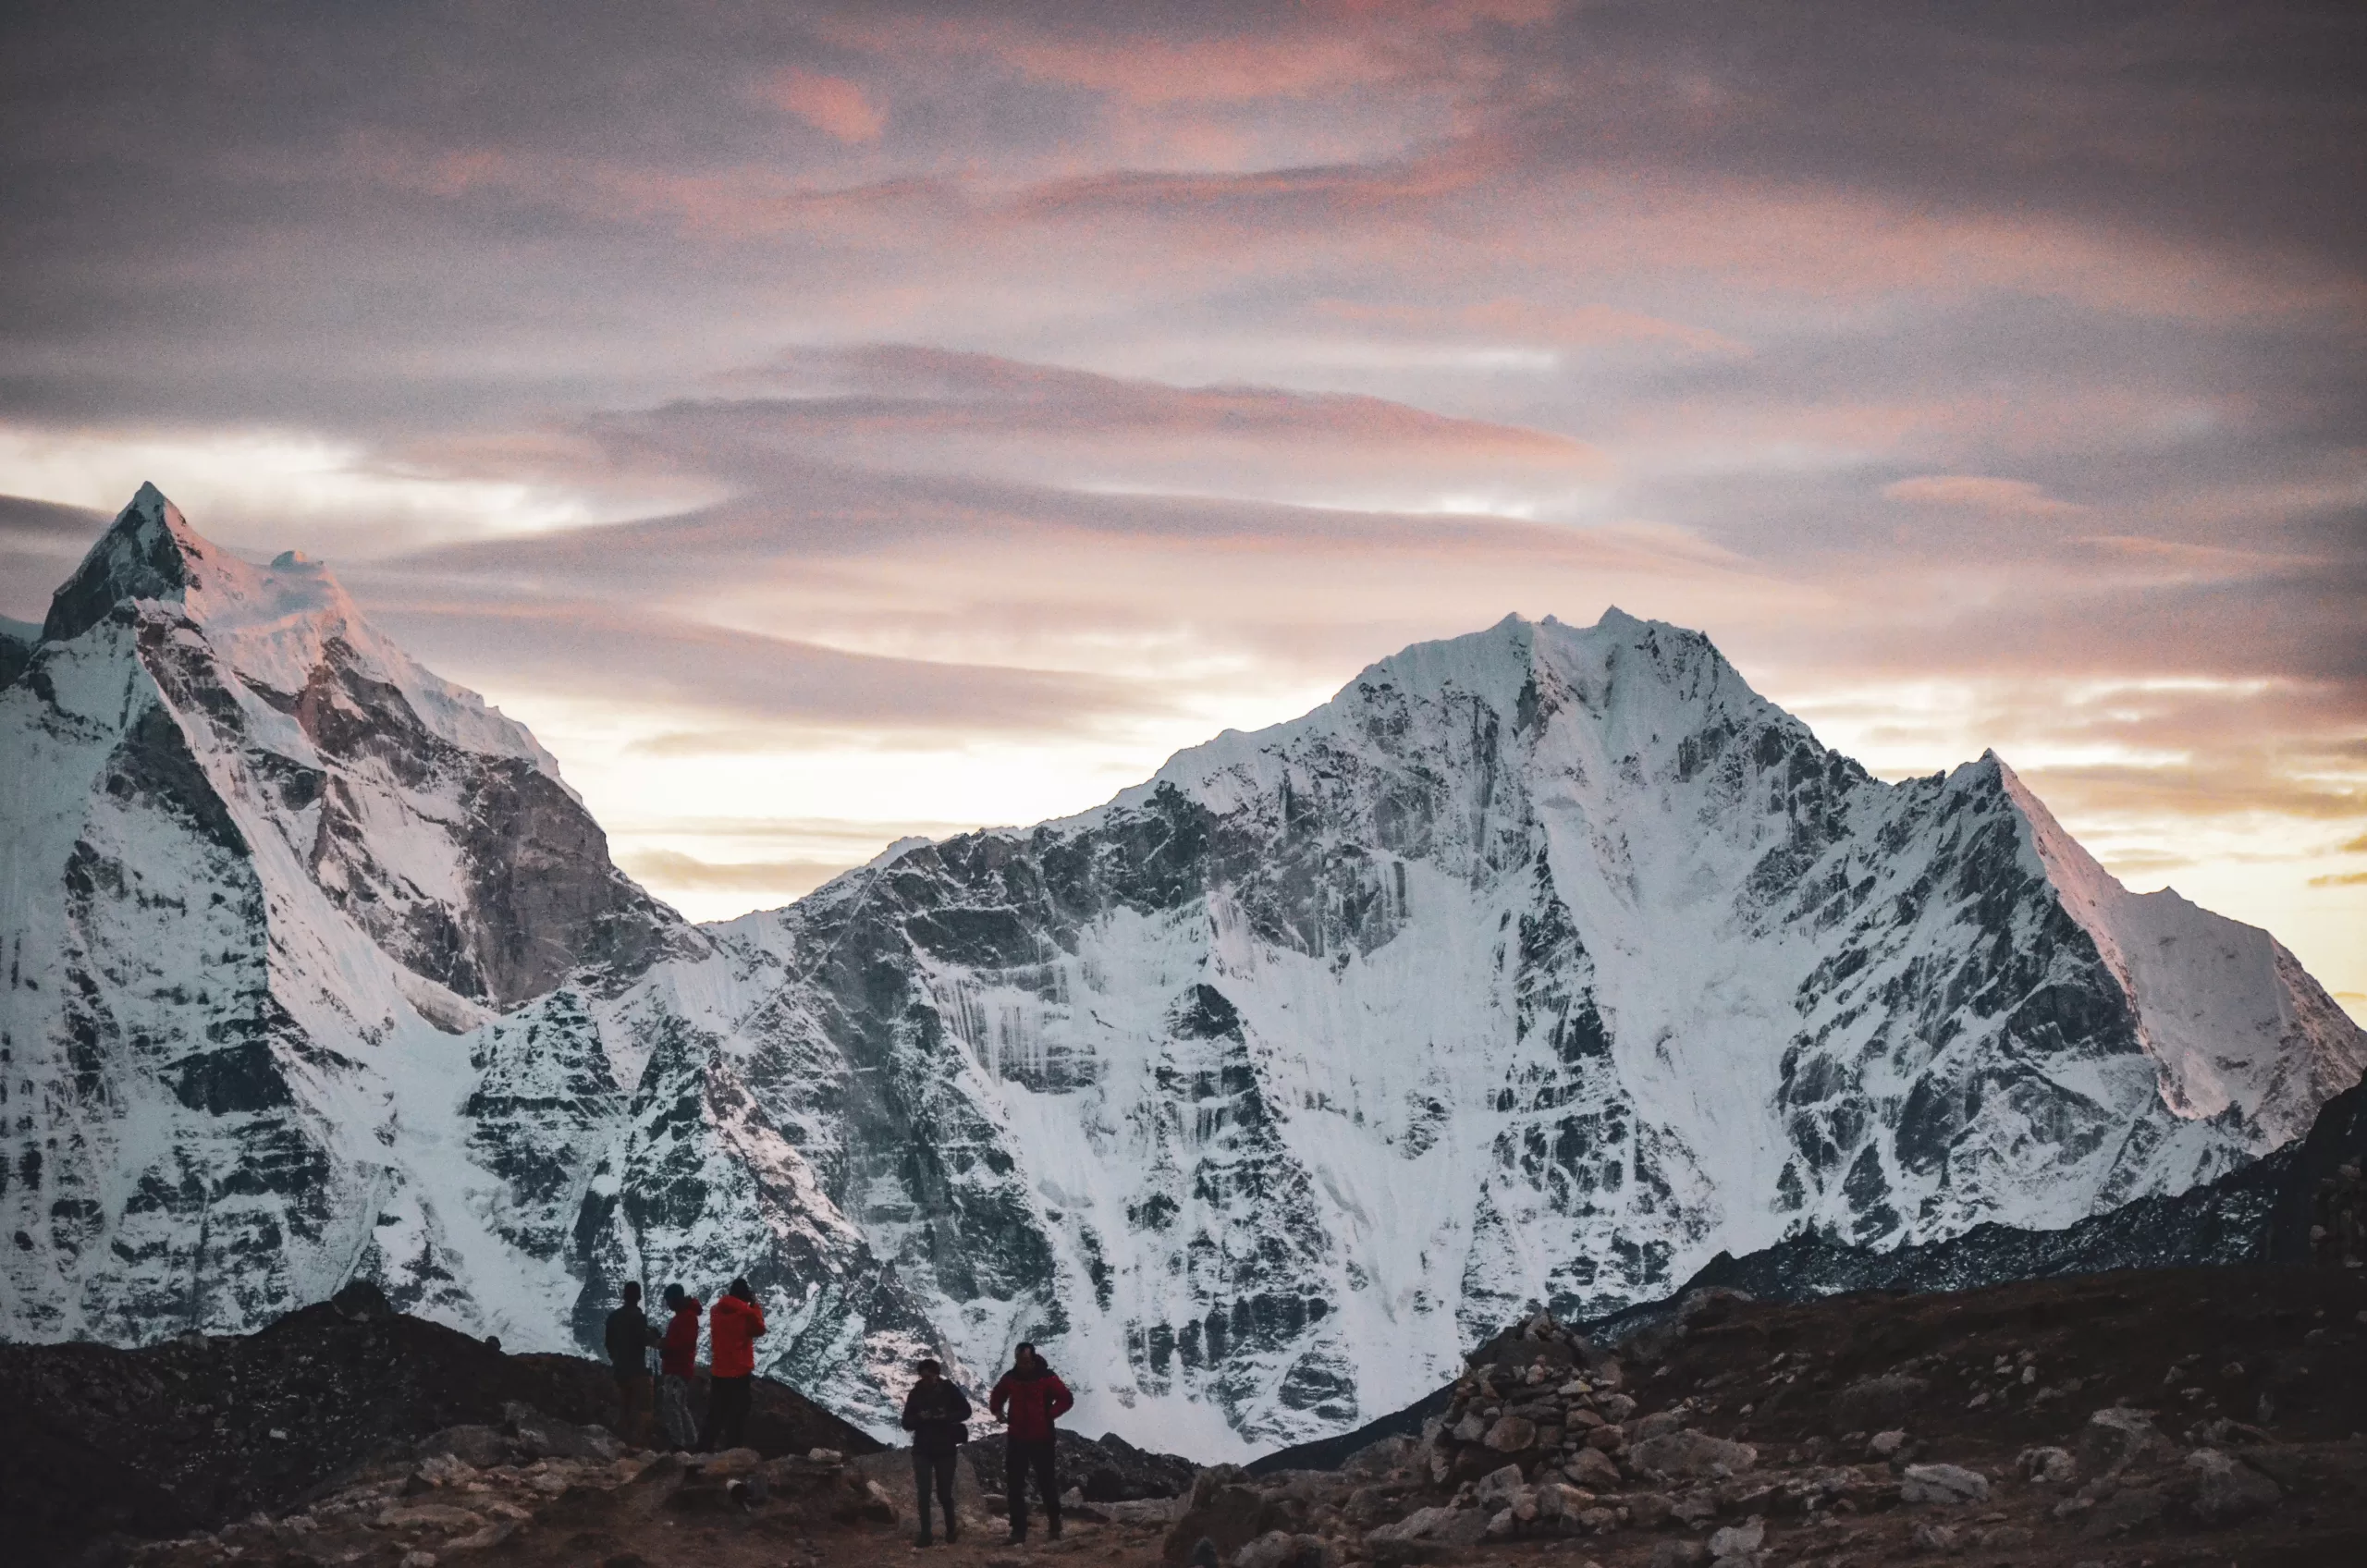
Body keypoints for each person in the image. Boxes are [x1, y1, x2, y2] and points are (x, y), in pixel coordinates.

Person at [988, 1341, 1073, 1543]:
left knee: (1046, 1482)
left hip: (1042, 1437)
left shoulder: (1046, 1378)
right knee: (1015, 1485)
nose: (1023, 1366)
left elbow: (1066, 1399)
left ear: (1033, 1359)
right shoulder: (1011, 1378)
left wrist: (1048, 1415)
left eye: (1026, 1362)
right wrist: (998, 1412)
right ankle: (1018, 1531)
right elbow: (996, 1396)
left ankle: (1054, 1524)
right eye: (1019, 1362)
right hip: (1017, 1437)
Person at [900, 1357, 973, 1547]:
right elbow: (906, 1422)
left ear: (936, 1376)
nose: (926, 1380)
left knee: (944, 1493)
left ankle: (951, 1529)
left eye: (929, 1377)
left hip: (945, 1448)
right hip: (923, 1449)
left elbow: (966, 1411)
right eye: (923, 1377)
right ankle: (926, 1534)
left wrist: (946, 1417)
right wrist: (919, 1418)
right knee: (923, 1492)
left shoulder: (949, 1390)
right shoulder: (915, 1394)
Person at [703, 1276, 766, 1452]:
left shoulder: (715, 1310)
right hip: (739, 1370)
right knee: (737, 1414)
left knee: (715, 1413)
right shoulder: (746, 1314)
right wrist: (754, 1305)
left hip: (719, 1369)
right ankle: (732, 1451)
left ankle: (703, 1449)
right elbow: (759, 1329)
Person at [602, 1281, 659, 1448]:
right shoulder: (638, 1317)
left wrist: (616, 1359)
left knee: (624, 1408)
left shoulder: (613, 1317)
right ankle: (639, 1445)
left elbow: (609, 1343)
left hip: (620, 1370)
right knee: (644, 1408)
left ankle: (622, 1444)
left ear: (624, 1295)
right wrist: (654, 1337)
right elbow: (644, 1340)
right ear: (639, 1297)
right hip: (637, 1370)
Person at [656, 1283, 703, 1452]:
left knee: (673, 1404)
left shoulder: (686, 1318)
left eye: (669, 1300)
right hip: (678, 1367)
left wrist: (665, 1345)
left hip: (678, 1368)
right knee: (679, 1405)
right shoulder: (684, 1316)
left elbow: (685, 1343)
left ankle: (680, 1444)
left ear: (676, 1299)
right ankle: (691, 1442)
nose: (668, 1304)